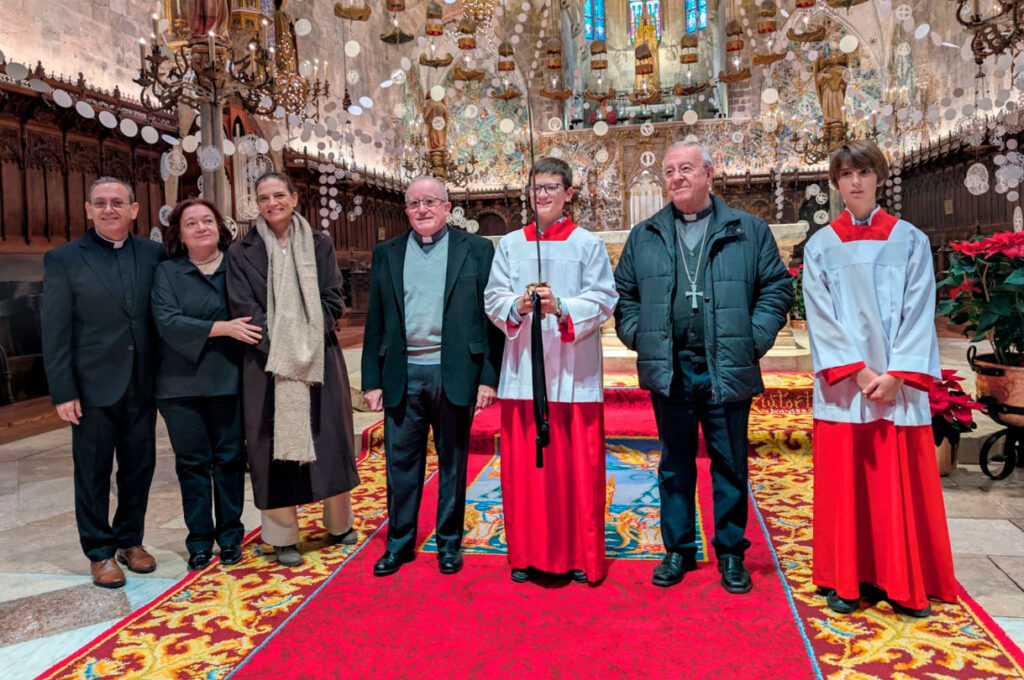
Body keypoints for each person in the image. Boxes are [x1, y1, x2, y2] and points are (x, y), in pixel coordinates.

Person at [614, 141, 792, 593]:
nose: (676, 178)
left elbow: (776, 289)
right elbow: (624, 295)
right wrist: (641, 335)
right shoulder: (645, 234)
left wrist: (751, 340)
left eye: (686, 169)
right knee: (674, 465)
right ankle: (678, 549)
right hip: (671, 368)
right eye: (670, 171)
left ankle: (731, 553)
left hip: (725, 366)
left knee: (729, 464)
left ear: (708, 174)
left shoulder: (747, 230)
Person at [804, 139, 957, 617]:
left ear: (879, 178)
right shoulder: (821, 245)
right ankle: (845, 580)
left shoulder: (909, 239)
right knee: (845, 484)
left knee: (895, 483)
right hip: (846, 388)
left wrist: (896, 375)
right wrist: (859, 371)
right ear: (835, 183)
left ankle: (900, 577)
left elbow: (920, 309)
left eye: (864, 173)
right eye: (846, 175)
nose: (855, 182)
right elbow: (820, 317)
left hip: (897, 388)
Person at [484, 157, 618, 584]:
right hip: (524, 373)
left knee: (575, 471)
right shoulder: (509, 245)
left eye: (550, 187)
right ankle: (526, 553)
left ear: (568, 194)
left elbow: (604, 299)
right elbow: (493, 297)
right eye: (535, 188)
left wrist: (562, 307)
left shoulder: (587, 244)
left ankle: (579, 554)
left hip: (573, 374)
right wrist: (517, 305)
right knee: (527, 473)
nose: (541, 195)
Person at [362, 175, 502, 577]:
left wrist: (488, 377)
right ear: (406, 210)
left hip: (454, 373)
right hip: (402, 373)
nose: (422, 209)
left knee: (453, 463)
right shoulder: (386, 253)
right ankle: (399, 543)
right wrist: (372, 380)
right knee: (400, 465)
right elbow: (375, 319)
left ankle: (449, 542)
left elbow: (490, 319)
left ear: (446, 207)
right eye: (414, 203)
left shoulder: (476, 249)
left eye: (430, 202)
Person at [226, 171, 360, 567]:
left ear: (295, 198)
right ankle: (281, 535)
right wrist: (282, 346)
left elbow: (333, 296)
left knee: (329, 439)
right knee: (271, 447)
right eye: (264, 198)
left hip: (319, 355)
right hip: (267, 362)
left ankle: (339, 523)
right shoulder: (241, 252)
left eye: (279, 195)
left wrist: (307, 337)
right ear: (257, 204)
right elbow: (244, 308)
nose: (272, 204)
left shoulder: (319, 243)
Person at [41, 177, 167, 588]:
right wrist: (63, 391)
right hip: (92, 386)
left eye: (117, 202)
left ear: (134, 210)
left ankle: (130, 540)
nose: (108, 209)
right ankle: (99, 551)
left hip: (142, 381)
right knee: (93, 470)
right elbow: (55, 330)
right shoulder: (64, 259)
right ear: (88, 209)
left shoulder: (153, 254)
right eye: (100, 203)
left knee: (138, 467)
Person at [151, 199, 257, 571]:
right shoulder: (167, 272)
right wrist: (223, 328)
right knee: (192, 464)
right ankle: (198, 540)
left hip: (230, 378)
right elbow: (167, 322)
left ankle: (230, 537)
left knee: (230, 460)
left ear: (219, 227)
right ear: (179, 234)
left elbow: (253, 315)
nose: (201, 228)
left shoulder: (237, 267)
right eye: (191, 223)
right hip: (179, 385)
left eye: (207, 220)